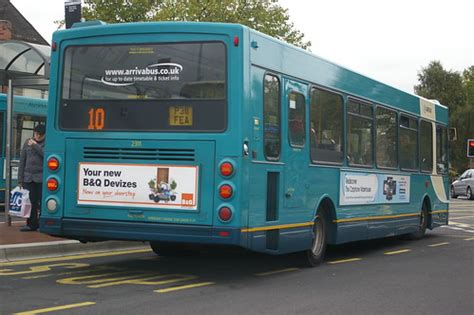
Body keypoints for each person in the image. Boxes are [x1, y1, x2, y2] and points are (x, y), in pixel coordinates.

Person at [17, 124, 46, 232]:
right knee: (30, 202)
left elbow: (46, 155)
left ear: (44, 135)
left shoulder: (46, 143)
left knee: (42, 202)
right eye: (35, 134)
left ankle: (42, 224)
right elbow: (22, 161)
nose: (37, 137)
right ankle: (31, 224)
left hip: (41, 178)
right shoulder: (27, 142)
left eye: (39, 135)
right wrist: (20, 180)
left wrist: (36, 146)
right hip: (28, 178)